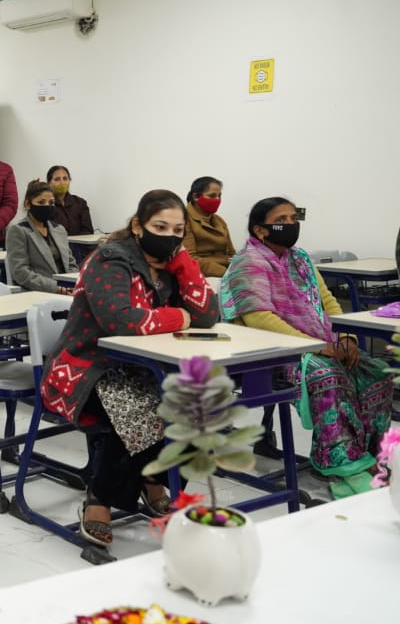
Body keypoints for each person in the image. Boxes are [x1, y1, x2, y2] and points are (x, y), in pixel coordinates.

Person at [39, 190, 219, 547]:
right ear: (138, 226)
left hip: (144, 370)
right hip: (84, 370)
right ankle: (100, 498)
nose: (169, 235)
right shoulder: (109, 260)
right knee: (141, 411)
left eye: (178, 230)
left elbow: (208, 315)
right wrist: (179, 316)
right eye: (160, 226)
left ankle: (154, 478)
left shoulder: (170, 263)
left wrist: (183, 262)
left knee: (198, 409)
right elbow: (121, 320)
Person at [220, 197, 392, 498]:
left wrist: (344, 337)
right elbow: (258, 317)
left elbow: (327, 302)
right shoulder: (248, 262)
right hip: (273, 352)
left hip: (317, 343)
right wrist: (316, 346)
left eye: (293, 218)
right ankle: (341, 463)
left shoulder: (299, 258)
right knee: (328, 376)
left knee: (376, 371)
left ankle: (370, 455)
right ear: (261, 230)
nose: (290, 225)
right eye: (281, 219)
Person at [4, 180, 78, 293]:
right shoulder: (18, 230)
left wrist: (72, 284)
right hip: (37, 292)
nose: (47, 206)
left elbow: (71, 264)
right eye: (41, 202)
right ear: (28, 204)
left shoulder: (59, 229)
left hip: (68, 290)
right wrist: (57, 288)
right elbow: (21, 273)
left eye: (51, 202)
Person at [182, 175, 236, 277]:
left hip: (227, 271)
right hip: (204, 273)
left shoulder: (219, 221)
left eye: (219, 196)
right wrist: (227, 273)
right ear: (196, 196)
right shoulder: (184, 219)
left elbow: (232, 253)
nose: (217, 200)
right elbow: (190, 258)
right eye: (212, 196)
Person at [46, 165, 94, 236]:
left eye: (65, 178)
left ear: (70, 180)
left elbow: (88, 231)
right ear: (49, 183)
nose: (62, 182)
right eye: (57, 179)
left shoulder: (80, 203)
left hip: (79, 245)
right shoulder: (45, 205)